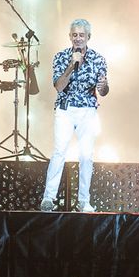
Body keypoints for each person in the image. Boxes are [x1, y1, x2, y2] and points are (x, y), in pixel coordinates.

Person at [41, 19, 109, 212]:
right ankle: (49, 198)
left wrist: (104, 87)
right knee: (59, 152)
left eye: (82, 35)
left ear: (89, 37)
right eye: (75, 34)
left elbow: (103, 90)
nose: (78, 38)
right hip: (65, 108)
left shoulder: (98, 58)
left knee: (86, 156)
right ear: (70, 36)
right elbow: (59, 86)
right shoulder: (61, 57)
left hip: (88, 110)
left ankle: (83, 201)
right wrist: (72, 65)